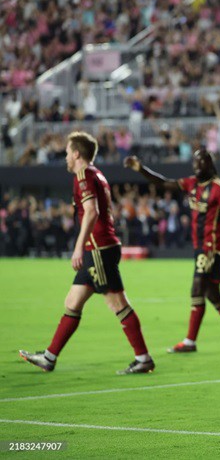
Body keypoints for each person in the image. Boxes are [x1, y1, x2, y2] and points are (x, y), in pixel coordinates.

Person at [20, 131, 155, 374]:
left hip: (99, 249)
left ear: (77, 153)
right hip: (100, 247)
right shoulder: (97, 174)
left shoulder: (83, 175)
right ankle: (49, 357)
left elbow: (91, 212)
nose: (65, 158)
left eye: (67, 153)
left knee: (117, 303)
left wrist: (78, 246)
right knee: (72, 302)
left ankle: (143, 358)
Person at [124, 150, 220, 353]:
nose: (197, 165)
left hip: (212, 246)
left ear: (210, 164)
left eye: (201, 162)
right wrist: (140, 168)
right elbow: (163, 183)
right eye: (195, 162)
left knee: (197, 289)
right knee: (212, 293)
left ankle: (190, 341)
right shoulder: (191, 183)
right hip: (200, 245)